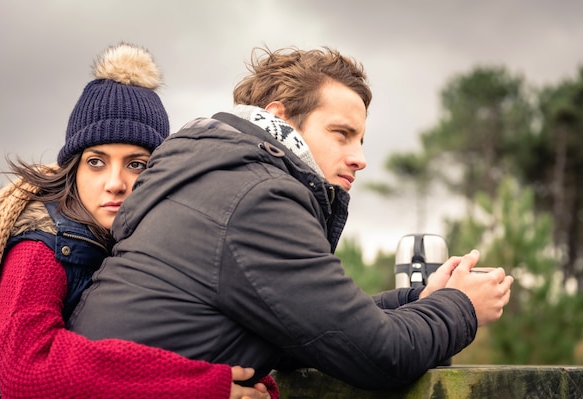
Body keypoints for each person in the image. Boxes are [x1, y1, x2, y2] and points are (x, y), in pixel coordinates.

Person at [68, 46, 514, 390]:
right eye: (341, 134)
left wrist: (420, 300)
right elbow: (379, 354)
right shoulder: (255, 199)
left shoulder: (211, 177)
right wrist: (463, 307)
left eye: (360, 139)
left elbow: (312, 327)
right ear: (277, 118)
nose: (359, 158)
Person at [0, 42, 276, 399]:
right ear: (74, 169)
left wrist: (254, 383)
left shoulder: (161, 246)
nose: (115, 183)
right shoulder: (40, 247)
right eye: (96, 162)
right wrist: (198, 386)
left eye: (136, 164)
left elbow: (190, 329)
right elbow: (28, 371)